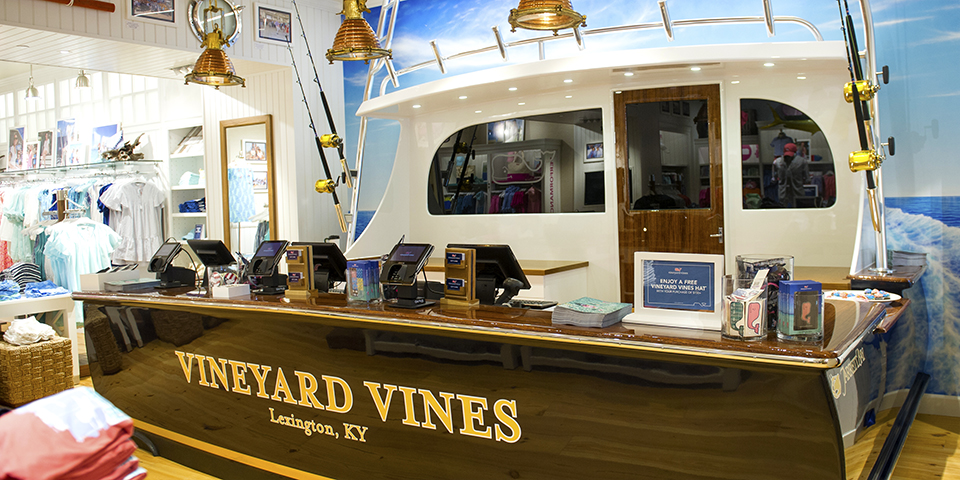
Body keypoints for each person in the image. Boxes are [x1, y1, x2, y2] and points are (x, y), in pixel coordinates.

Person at [773, 143, 808, 208]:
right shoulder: (777, 162)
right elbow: (807, 179)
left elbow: (774, 179)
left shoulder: (802, 161)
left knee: (797, 210)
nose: (788, 158)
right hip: (785, 194)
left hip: (795, 193)